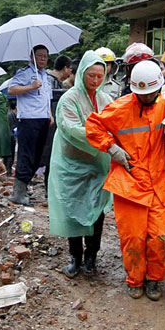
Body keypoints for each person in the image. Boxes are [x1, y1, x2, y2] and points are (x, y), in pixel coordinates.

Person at [86, 60, 165, 301]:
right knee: (132, 237)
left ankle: (154, 279)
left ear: (159, 89)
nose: (146, 98)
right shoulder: (121, 108)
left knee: (161, 236)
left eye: (151, 93)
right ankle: (135, 280)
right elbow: (93, 125)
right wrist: (111, 147)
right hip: (129, 184)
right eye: (141, 94)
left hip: (157, 184)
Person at [48, 51, 113, 278]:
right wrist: (105, 141)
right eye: (91, 76)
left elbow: (116, 123)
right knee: (72, 209)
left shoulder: (105, 99)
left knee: (97, 210)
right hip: (72, 164)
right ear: (82, 73)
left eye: (99, 76)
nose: (95, 81)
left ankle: (91, 257)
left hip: (97, 164)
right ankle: (75, 256)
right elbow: (72, 129)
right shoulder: (69, 99)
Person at [8, 44, 55, 205]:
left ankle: (25, 187)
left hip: (43, 119)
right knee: (26, 155)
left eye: (45, 56)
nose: (43, 59)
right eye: (39, 56)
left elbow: (46, 97)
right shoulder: (25, 73)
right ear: (32, 57)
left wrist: (49, 114)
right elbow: (11, 90)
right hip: (28, 119)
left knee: (37, 156)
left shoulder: (45, 76)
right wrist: (30, 86)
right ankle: (18, 192)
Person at [42, 54, 73, 187]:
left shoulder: (56, 81)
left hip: (57, 122)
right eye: (70, 69)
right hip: (50, 123)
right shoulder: (49, 80)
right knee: (49, 153)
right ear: (65, 68)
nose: (70, 72)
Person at [6, 100, 17, 177]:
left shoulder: (11, 114)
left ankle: (9, 171)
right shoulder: (10, 115)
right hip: (10, 136)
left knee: (10, 154)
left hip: (10, 136)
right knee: (10, 155)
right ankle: (9, 172)